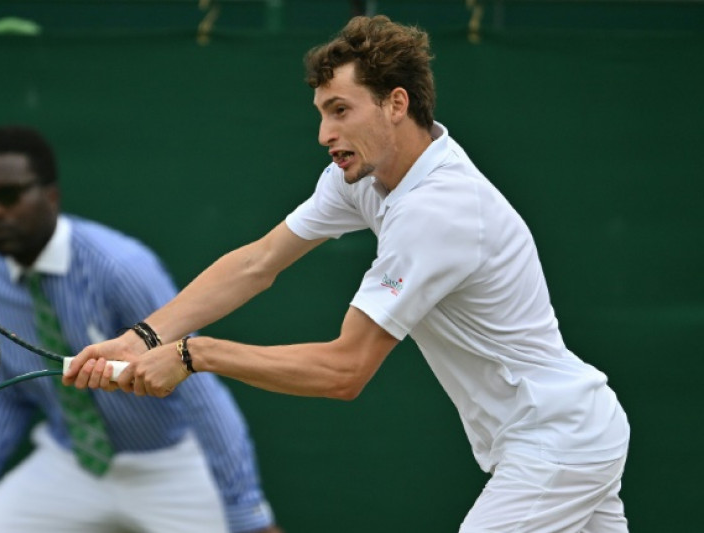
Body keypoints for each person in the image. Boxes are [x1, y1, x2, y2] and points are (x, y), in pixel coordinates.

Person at [66, 15, 631, 532]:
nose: (324, 134)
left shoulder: (437, 211)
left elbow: (345, 370)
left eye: (340, 110)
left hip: (557, 443)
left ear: (396, 103)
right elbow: (259, 262)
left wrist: (195, 354)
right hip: (561, 434)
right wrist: (142, 338)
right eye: (321, 113)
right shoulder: (364, 178)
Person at [0, 125, 280, 533]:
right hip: (68, 465)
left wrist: (247, 511)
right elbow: (6, 398)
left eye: (8, 196)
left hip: (168, 465)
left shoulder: (121, 267)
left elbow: (200, 390)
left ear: (51, 195)